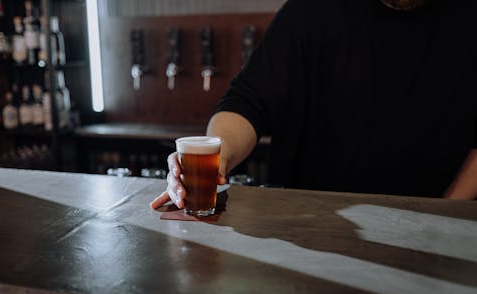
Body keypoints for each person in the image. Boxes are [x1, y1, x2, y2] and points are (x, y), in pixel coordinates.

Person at [151, 0, 477, 210]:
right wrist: (215, 156)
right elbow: (248, 101)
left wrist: (446, 212)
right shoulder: (312, 11)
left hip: (440, 238)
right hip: (311, 234)